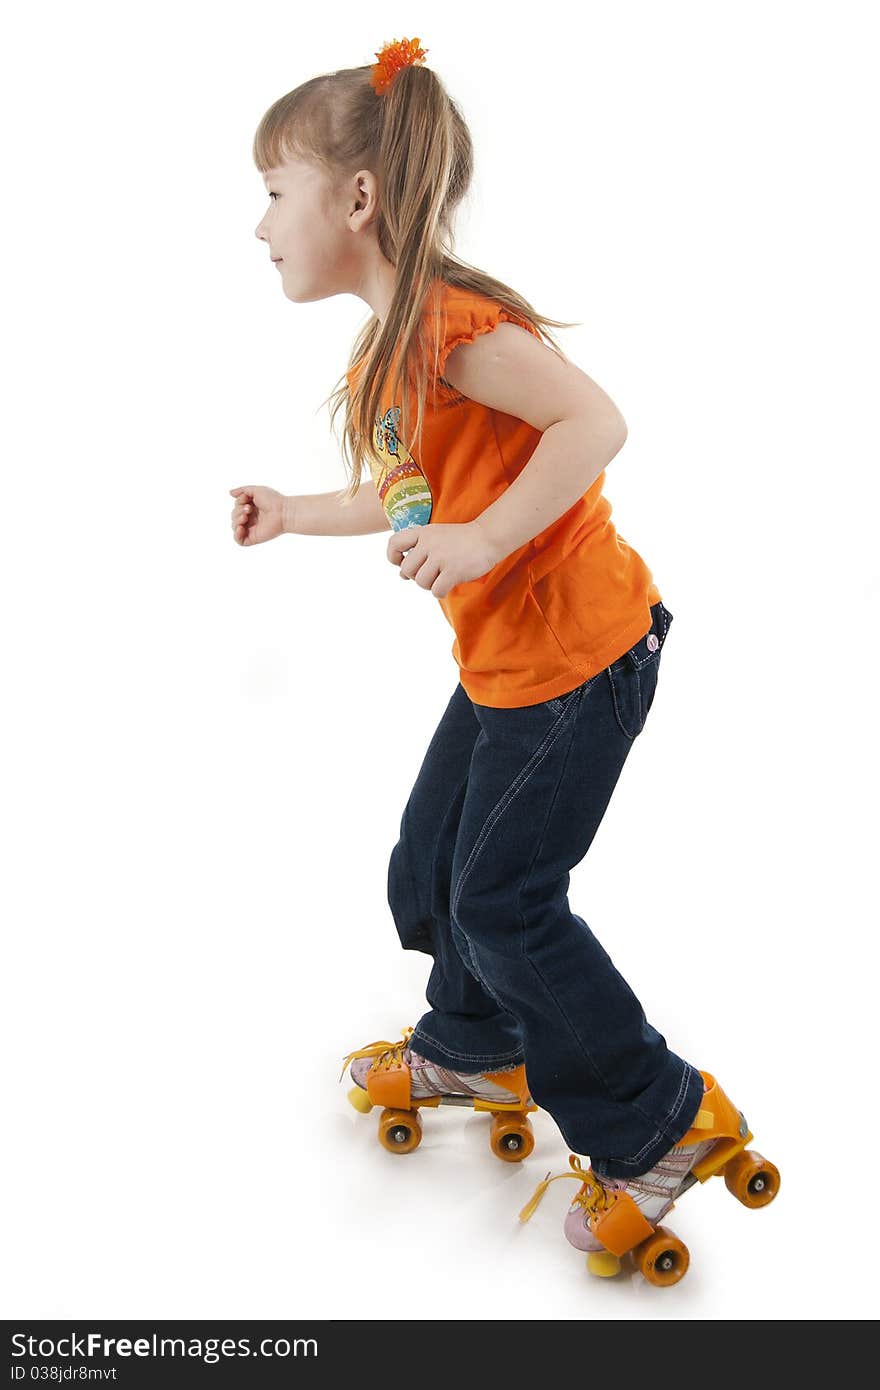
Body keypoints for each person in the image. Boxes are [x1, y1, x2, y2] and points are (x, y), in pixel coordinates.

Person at [231, 36, 779, 1286]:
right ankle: (476, 1044)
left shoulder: (456, 330)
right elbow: (406, 494)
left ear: (353, 201)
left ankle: (657, 1119)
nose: (257, 220)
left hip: (582, 660)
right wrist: (292, 511)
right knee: (431, 862)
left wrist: (483, 536)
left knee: (503, 898)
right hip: (507, 666)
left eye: (273, 190)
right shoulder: (392, 353)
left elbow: (596, 422)